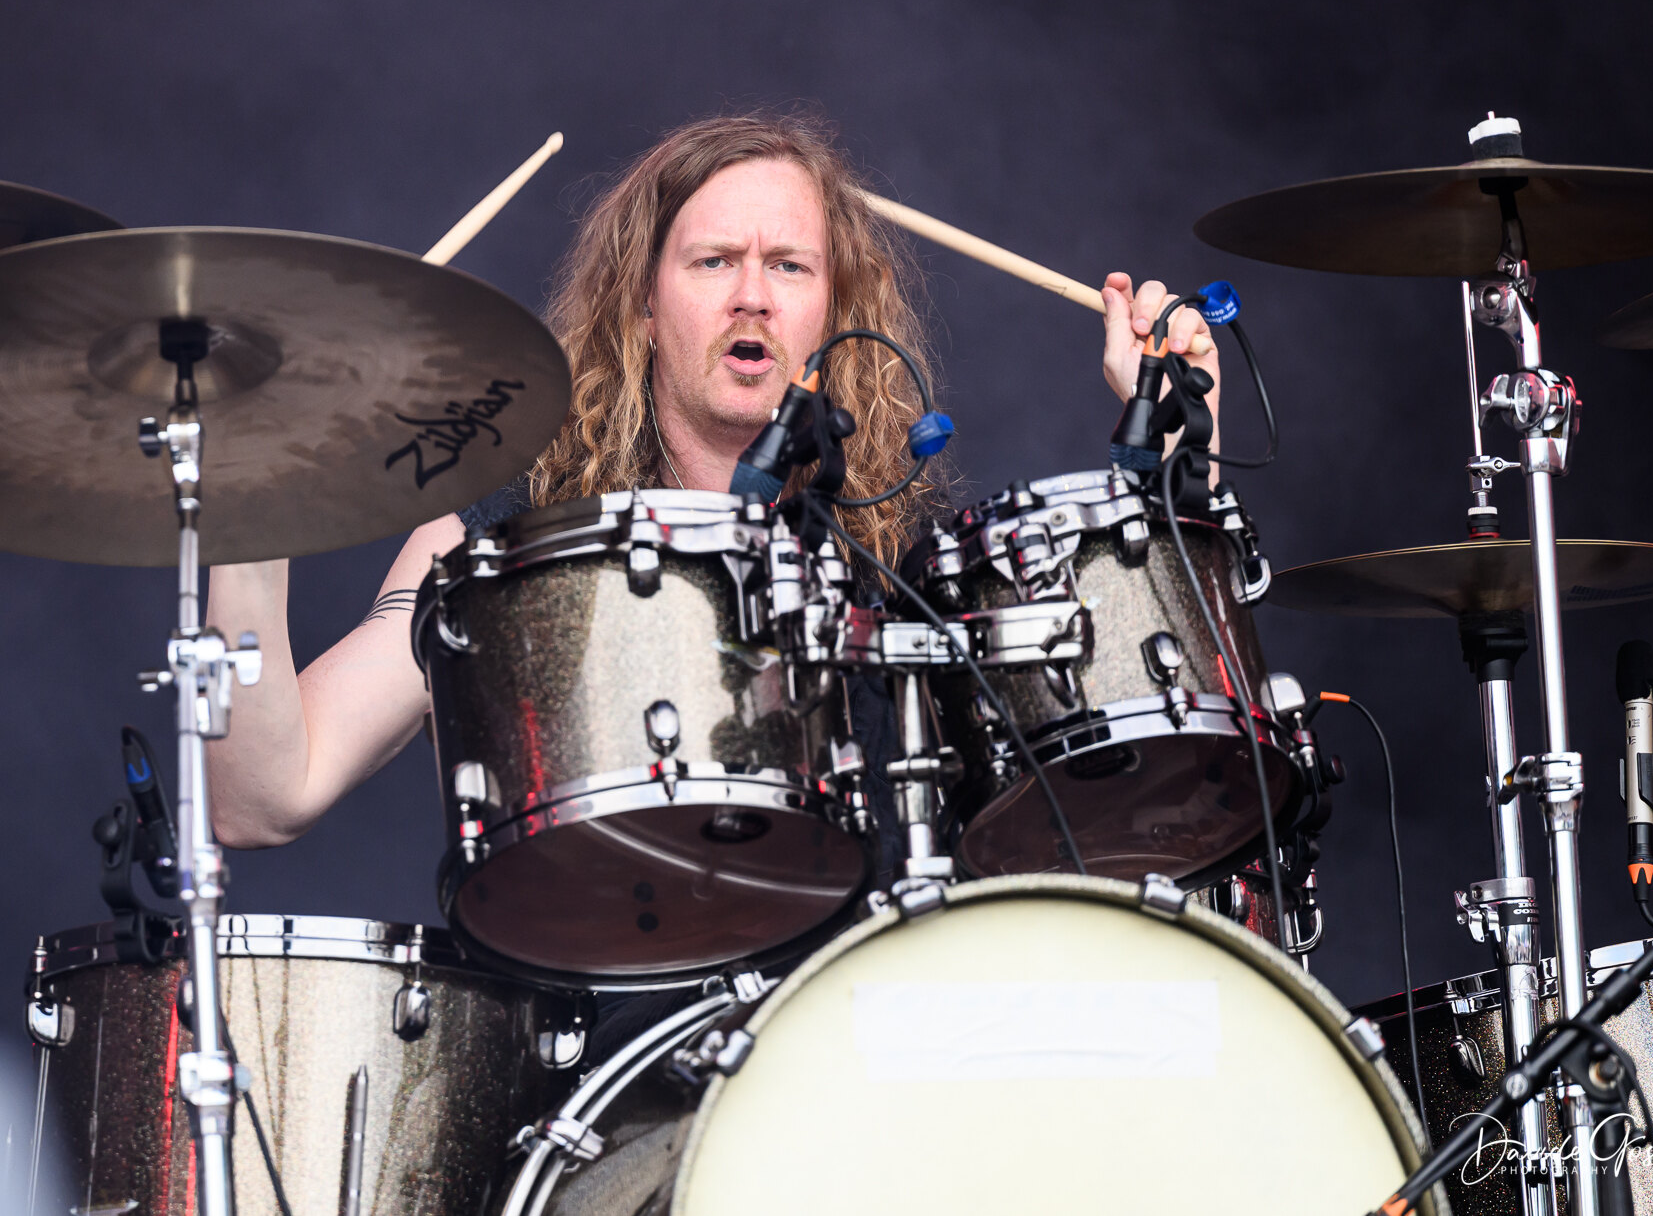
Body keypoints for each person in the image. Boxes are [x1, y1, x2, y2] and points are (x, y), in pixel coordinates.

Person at [205, 111, 1215, 848]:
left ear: (834, 311)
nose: (752, 296)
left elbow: (1141, 777)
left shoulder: (910, 553)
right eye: (713, 261)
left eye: (789, 266)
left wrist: (1178, 446)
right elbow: (265, 797)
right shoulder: (501, 534)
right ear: (642, 308)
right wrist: (249, 507)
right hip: (611, 1033)